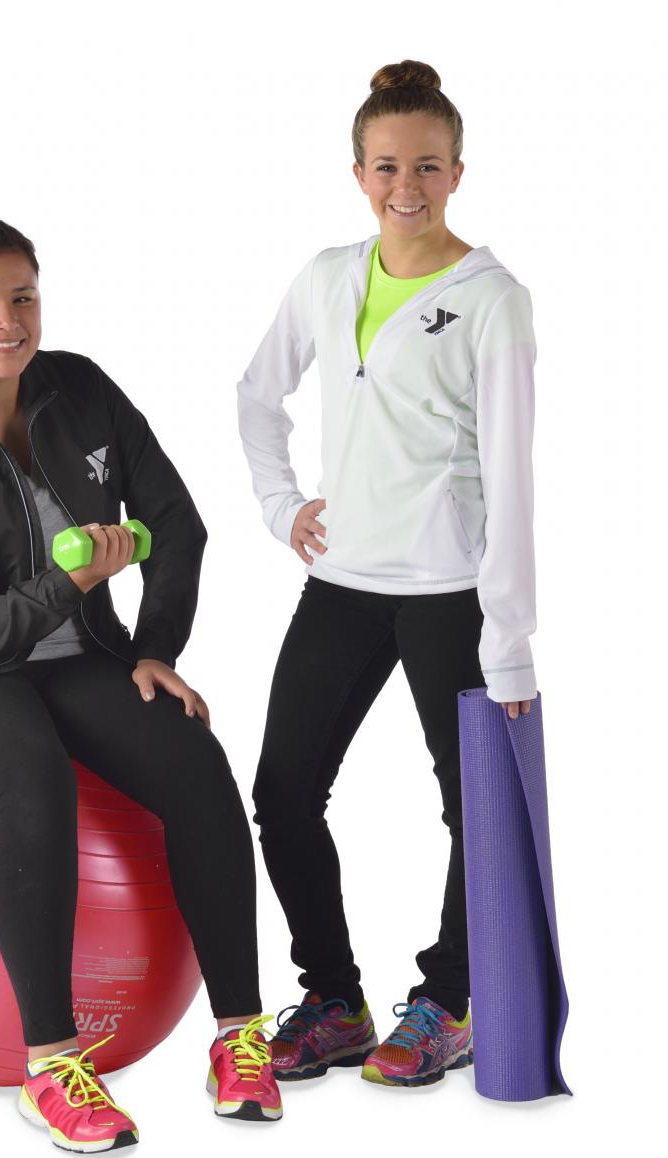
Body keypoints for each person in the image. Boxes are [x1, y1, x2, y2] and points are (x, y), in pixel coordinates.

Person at [0, 218, 282, 1152]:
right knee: (32, 776)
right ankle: (52, 1066)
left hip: (73, 653)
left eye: (23, 297)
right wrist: (77, 579)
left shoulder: (78, 389)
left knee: (193, 756)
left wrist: (154, 647)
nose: (7, 321)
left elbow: (177, 520)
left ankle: (240, 1036)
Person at [237, 60, 538, 1089]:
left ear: (457, 171)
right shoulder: (327, 275)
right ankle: (333, 1001)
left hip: (448, 590)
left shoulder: (491, 300)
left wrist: (509, 639)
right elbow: (255, 394)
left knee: (474, 810)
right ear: (356, 171)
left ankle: (448, 1002)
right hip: (344, 584)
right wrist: (283, 508)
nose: (403, 184)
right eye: (384, 166)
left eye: (425, 165)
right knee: (281, 791)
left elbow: (511, 476)